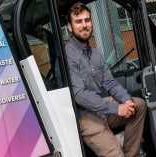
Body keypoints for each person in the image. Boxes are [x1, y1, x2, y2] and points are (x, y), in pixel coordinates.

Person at [65, 2, 147, 157]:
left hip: (100, 108)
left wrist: (126, 100)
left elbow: (109, 82)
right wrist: (117, 109)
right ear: (70, 27)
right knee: (115, 154)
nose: (84, 25)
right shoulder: (67, 56)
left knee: (139, 106)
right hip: (84, 115)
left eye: (87, 20)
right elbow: (80, 95)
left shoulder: (96, 54)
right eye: (78, 21)